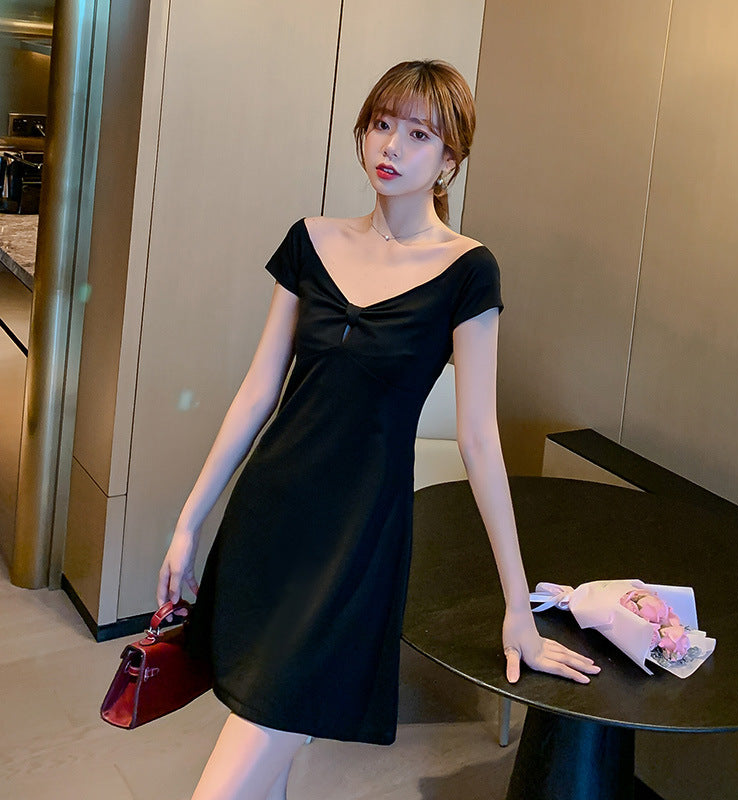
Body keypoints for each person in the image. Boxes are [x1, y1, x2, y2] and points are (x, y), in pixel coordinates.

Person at [157, 60, 600, 800]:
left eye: (419, 134)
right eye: (382, 124)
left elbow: (479, 439)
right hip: (271, 517)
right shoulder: (309, 240)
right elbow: (258, 391)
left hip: (358, 536)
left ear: (450, 159)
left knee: (251, 747)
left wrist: (517, 606)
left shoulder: (468, 271)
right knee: (268, 739)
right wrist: (188, 520)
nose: (391, 145)